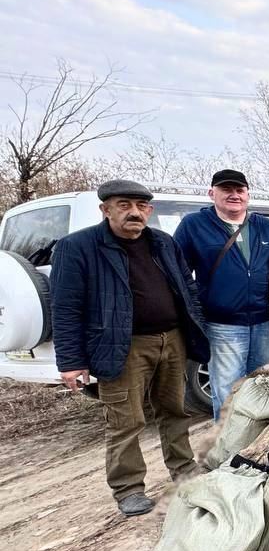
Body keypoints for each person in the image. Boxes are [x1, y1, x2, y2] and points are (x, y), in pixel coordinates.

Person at [52, 180, 209, 517]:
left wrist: (194, 327)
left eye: (141, 206)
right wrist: (71, 360)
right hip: (121, 345)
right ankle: (129, 489)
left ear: (149, 211)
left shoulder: (163, 242)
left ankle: (184, 469)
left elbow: (187, 288)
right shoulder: (77, 247)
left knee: (175, 411)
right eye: (124, 205)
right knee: (126, 420)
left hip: (171, 340)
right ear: (105, 209)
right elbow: (65, 308)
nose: (134, 212)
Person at [173, 169, 269, 419]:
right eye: (226, 189)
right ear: (212, 193)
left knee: (264, 387)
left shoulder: (264, 226)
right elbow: (178, 273)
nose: (234, 195)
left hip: (264, 323)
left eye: (239, 190)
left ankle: (257, 441)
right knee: (227, 392)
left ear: (248, 195)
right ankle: (227, 440)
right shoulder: (193, 225)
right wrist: (194, 311)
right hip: (222, 325)